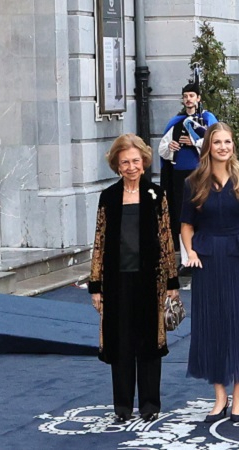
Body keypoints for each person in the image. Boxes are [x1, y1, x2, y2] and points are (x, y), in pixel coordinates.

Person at [89, 133, 179, 424]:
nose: (131, 167)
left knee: (149, 344)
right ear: (116, 165)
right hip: (117, 283)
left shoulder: (156, 195)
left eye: (135, 161)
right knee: (121, 343)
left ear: (144, 162)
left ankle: (150, 403)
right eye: (125, 162)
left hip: (149, 281)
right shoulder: (109, 197)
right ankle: (123, 406)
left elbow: (167, 239)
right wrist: (95, 286)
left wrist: (172, 282)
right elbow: (99, 241)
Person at [182, 122, 239, 423]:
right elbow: (186, 225)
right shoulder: (194, 182)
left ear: (233, 145)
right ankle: (220, 396)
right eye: (217, 142)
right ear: (208, 146)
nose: (223, 147)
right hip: (207, 260)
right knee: (212, 325)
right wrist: (190, 251)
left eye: (227, 142)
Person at [158, 81, 218, 267]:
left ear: (198, 98)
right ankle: (185, 259)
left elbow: (216, 143)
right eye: (185, 97)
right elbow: (162, 149)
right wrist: (170, 147)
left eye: (192, 96)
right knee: (182, 214)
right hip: (179, 176)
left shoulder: (207, 120)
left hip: (201, 173)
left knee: (203, 212)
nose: (188, 100)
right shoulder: (176, 123)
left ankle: (203, 253)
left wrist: (195, 142)